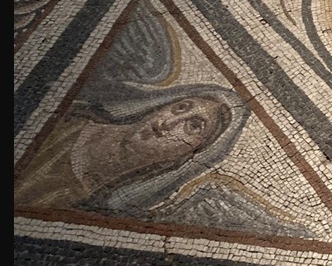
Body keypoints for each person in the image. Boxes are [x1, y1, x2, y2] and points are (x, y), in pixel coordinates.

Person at [14, 86, 240, 214]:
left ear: (186, 157)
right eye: (179, 108)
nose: (167, 124)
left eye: (193, 126)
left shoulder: (95, 205)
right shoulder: (66, 122)